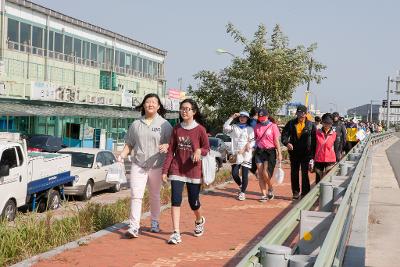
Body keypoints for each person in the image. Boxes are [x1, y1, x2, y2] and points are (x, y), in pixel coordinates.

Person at [119, 93, 173, 239]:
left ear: (158, 106)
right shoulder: (136, 124)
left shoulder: (165, 125)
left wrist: (166, 146)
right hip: (139, 164)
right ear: (143, 105)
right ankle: (134, 226)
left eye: (154, 102)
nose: (150, 104)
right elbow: (129, 144)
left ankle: (155, 222)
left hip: (157, 165)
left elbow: (172, 145)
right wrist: (122, 155)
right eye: (148, 102)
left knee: (155, 195)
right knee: (136, 195)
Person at [162, 99, 210, 245]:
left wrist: (198, 150)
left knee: (193, 202)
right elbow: (171, 151)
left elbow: (207, 149)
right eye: (182, 108)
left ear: (194, 112)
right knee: (175, 201)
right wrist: (165, 171)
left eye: (188, 109)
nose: (184, 111)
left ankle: (199, 219)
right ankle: (176, 233)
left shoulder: (200, 129)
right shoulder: (176, 128)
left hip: (193, 171)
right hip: (177, 169)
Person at [281, 104, 316, 200]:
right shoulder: (291, 123)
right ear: (296, 113)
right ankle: (295, 192)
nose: (301, 115)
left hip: (306, 153)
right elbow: (284, 135)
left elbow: (314, 141)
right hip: (294, 152)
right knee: (294, 173)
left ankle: (305, 192)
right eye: (299, 113)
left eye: (303, 113)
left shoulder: (311, 125)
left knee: (305, 173)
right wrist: (287, 143)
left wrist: (313, 155)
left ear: (306, 114)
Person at [223, 111, 255, 201]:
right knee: (234, 173)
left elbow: (253, 141)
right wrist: (232, 117)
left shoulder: (250, 129)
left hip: (246, 155)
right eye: (241, 116)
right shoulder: (234, 127)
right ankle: (241, 185)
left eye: (244, 117)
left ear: (247, 119)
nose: (242, 118)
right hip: (235, 154)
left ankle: (242, 193)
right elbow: (225, 127)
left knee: (245, 174)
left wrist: (247, 146)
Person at [254, 108, 282, 201]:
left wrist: (279, 153)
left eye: (263, 117)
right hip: (259, 151)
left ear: (267, 116)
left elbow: (276, 141)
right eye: (260, 117)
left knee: (265, 173)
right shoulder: (257, 126)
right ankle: (264, 195)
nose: (262, 119)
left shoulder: (273, 126)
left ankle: (270, 188)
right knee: (260, 174)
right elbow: (254, 138)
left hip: (270, 152)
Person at [314, 113, 339, 183]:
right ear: (322, 122)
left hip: (330, 160)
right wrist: (311, 158)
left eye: (329, 123)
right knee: (318, 179)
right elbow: (313, 146)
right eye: (325, 123)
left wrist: (337, 159)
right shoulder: (317, 133)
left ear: (331, 124)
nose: (327, 125)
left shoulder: (334, 134)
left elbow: (337, 147)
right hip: (318, 159)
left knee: (328, 180)